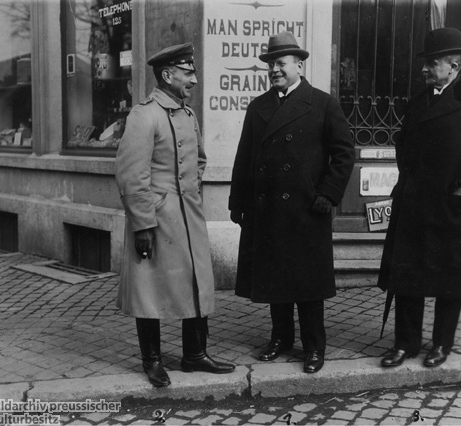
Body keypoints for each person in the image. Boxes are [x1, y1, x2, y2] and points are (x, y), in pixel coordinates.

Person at [377, 28, 461, 368]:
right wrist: (407, 182)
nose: (424, 69)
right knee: (408, 278)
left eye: (432, 62)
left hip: (452, 209)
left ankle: (441, 345)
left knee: (448, 282)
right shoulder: (418, 101)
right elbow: (403, 145)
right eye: (425, 62)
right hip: (414, 207)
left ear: (455, 64)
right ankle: (405, 344)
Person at [229, 32, 355, 374]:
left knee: (307, 284)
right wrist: (237, 202)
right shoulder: (259, 107)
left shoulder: (323, 103)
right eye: (271, 64)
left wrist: (327, 194)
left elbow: (344, 154)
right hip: (266, 209)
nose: (274, 70)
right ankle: (281, 338)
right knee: (274, 277)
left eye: (281, 64)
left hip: (306, 208)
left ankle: (315, 346)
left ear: (299, 65)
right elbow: (245, 157)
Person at [115, 42, 235, 387]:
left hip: (188, 216)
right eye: (188, 73)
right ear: (167, 75)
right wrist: (142, 224)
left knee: (197, 280)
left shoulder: (187, 114)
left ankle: (194, 355)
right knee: (148, 287)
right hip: (154, 218)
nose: (194, 80)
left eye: (193, 72)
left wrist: (189, 192)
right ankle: (151, 360)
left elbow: (198, 160)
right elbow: (131, 174)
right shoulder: (144, 115)